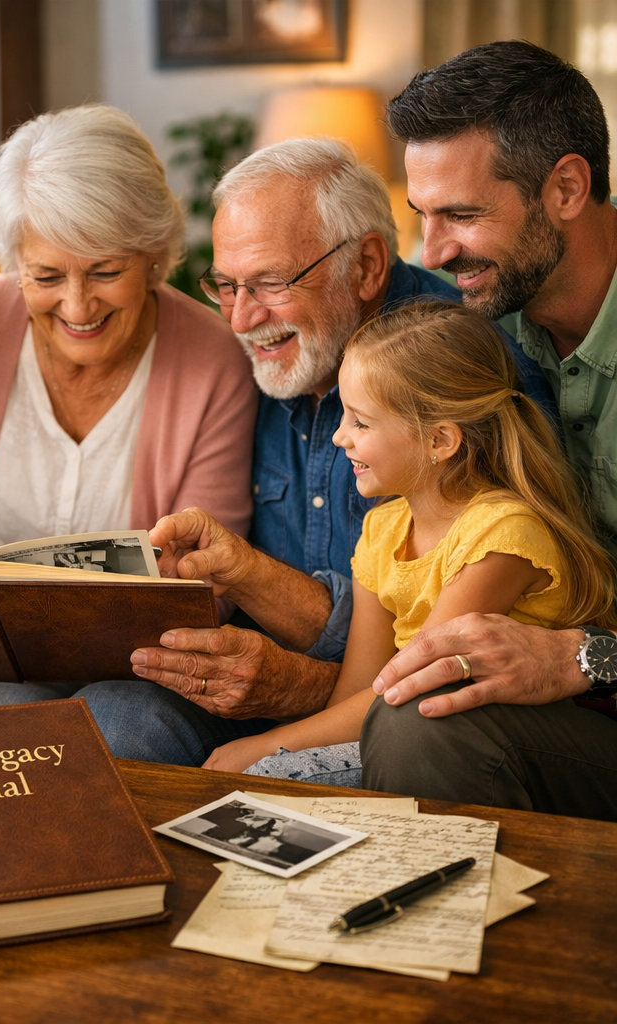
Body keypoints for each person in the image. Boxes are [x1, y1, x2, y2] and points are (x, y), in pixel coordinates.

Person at [79, 137, 554, 767]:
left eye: (271, 283)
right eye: (226, 286)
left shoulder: (452, 376)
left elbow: (417, 679)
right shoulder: (278, 357)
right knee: (98, 719)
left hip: (419, 723)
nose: (243, 318)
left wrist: (280, 699)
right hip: (308, 694)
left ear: (365, 267)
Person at [0, 103, 257, 718]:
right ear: (14, 264)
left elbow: (206, 587)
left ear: (152, 255)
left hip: (134, 661)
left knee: (18, 712)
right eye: (47, 275)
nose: (78, 305)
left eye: (106, 271)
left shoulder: (213, 357)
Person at [359, 40, 617, 818]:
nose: (434, 251)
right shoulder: (484, 337)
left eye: (462, 216)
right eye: (423, 217)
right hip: (573, 717)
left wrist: (584, 657)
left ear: (566, 186)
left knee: (419, 726)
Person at [202, 302, 616, 784]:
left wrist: (265, 749)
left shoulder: (500, 534)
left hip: (497, 742)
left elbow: (409, 686)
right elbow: (359, 688)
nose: (339, 438)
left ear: (439, 440)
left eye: (360, 422)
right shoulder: (383, 530)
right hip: (401, 724)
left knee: (270, 777)